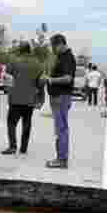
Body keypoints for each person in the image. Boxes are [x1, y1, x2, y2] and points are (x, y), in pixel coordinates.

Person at [41, 34, 77, 169]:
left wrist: (51, 80)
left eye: (54, 46)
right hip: (57, 97)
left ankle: (62, 159)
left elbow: (68, 78)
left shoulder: (68, 58)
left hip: (62, 97)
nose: (53, 49)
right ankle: (60, 157)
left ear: (60, 44)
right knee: (59, 129)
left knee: (61, 129)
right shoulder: (61, 57)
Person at [2, 42, 43, 156]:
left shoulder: (13, 61)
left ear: (20, 50)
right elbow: (40, 82)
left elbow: (6, 77)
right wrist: (40, 98)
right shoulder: (37, 63)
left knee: (11, 123)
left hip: (15, 98)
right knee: (27, 123)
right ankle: (23, 148)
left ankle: (12, 146)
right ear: (29, 50)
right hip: (30, 99)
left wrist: (8, 90)